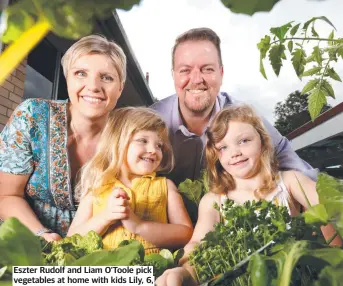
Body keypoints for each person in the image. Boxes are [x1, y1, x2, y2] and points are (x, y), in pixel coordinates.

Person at [156, 104, 342, 286]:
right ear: (215, 154)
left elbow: (330, 211)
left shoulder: (290, 181)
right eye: (223, 147)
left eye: (244, 141)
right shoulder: (213, 200)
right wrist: (186, 271)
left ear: (262, 141)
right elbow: (198, 243)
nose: (234, 153)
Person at [152, 27, 317, 223]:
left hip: (229, 226)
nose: (196, 79)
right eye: (185, 70)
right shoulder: (151, 121)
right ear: (174, 75)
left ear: (221, 74)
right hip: (168, 228)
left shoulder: (244, 118)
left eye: (207, 69)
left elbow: (287, 158)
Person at [0, 34, 126, 241]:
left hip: (96, 248)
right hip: (23, 238)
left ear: (120, 87)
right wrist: (43, 236)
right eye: (81, 73)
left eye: (106, 77)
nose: (93, 86)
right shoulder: (32, 116)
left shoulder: (128, 136)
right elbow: (6, 196)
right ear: (68, 78)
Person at [67, 107, 193, 253]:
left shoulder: (165, 186)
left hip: (152, 269)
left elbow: (186, 233)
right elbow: (72, 239)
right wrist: (105, 217)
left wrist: (139, 226)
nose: (153, 150)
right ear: (117, 143)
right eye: (143, 140)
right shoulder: (97, 185)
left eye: (159, 145)